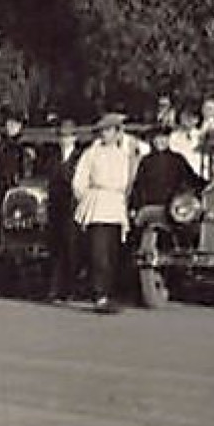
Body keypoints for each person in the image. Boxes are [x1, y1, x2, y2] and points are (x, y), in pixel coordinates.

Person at [73, 112, 136, 313]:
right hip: (98, 205)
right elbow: (79, 182)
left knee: (112, 253)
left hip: (115, 207)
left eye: (112, 130)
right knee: (99, 253)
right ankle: (99, 295)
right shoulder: (91, 154)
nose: (107, 134)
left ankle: (110, 293)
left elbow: (126, 183)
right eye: (104, 130)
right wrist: (87, 200)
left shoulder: (123, 155)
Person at [130, 124, 203, 219]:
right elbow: (138, 186)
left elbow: (191, 179)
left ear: (168, 139)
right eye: (158, 138)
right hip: (150, 207)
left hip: (174, 209)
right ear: (153, 140)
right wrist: (134, 207)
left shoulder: (178, 159)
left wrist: (206, 186)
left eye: (164, 137)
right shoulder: (146, 161)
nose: (161, 141)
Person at [44, 122, 83, 302]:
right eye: (61, 136)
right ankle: (55, 289)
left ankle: (71, 288)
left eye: (68, 135)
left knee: (72, 249)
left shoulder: (80, 157)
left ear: (74, 137)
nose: (64, 139)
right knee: (56, 248)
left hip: (72, 207)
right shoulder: (52, 158)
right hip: (55, 207)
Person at [0, 111, 32, 193]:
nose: (10, 127)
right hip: (4, 172)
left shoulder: (26, 140)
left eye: (13, 125)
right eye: (9, 125)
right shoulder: (2, 142)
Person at [168, 107, 207, 177]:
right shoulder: (173, 135)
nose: (186, 121)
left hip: (197, 168)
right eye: (184, 118)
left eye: (190, 118)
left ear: (197, 120)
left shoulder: (200, 135)